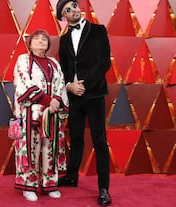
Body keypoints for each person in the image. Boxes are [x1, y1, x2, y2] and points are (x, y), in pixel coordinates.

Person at [56, 0, 112, 206]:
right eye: (67, 11)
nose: (73, 11)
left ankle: (104, 189)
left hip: (94, 94)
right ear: (64, 17)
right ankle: (71, 177)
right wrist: (70, 86)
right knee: (76, 138)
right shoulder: (63, 40)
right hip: (73, 96)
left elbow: (104, 61)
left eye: (73, 6)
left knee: (100, 141)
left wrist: (84, 84)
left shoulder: (98, 30)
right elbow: (64, 69)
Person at [13, 29, 69, 202]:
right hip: (31, 112)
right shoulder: (23, 60)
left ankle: (49, 184)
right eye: (36, 38)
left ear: (48, 44)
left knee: (50, 148)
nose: (40, 41)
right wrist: (47, 100)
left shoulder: (54, 63)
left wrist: (57, 102)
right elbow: (23, 83)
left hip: (52, 114)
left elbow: (61, 84)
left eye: (44, 39)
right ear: (29, 43)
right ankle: (28, 185)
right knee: (30, 147)